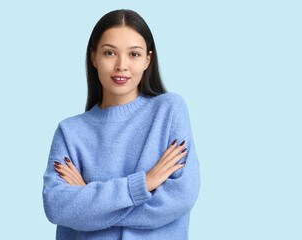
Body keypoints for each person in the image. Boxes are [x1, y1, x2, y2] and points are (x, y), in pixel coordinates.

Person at [42, 9, 200, 240]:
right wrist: (143, 184)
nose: (121, 66)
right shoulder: (70, 132)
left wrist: (88, 201)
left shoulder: (169, 110)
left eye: (134, 54)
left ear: (148, 59)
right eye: (109, 53)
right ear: (93, 57)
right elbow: (56, 207)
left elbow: (180, 197)